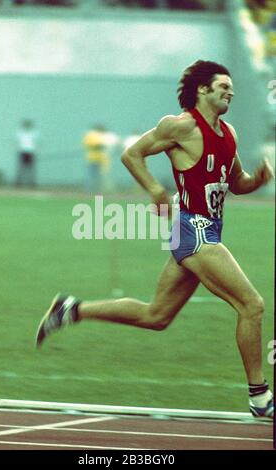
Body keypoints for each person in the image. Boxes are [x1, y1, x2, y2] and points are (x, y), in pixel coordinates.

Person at [36, 60, 274, 418]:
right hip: (192, 230)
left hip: (207, 230)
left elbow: (236, 182)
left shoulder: (229, 134)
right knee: (251, 305)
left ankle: (71, 309)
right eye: (223, 85)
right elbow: (131, 154)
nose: (231, 91)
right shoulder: (179, 126)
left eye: (231, 86)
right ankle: (260, 397)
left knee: (156, 316)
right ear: (203, 90)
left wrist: (258, 179)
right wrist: (155, 191)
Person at [16, 119, 39, 187]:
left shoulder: (33, 133)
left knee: (31, 168)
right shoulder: (20, 132)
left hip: (31, 152)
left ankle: (31, 182)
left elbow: (37, 142)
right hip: (23, 151)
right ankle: (19, 182)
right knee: (21, 168)